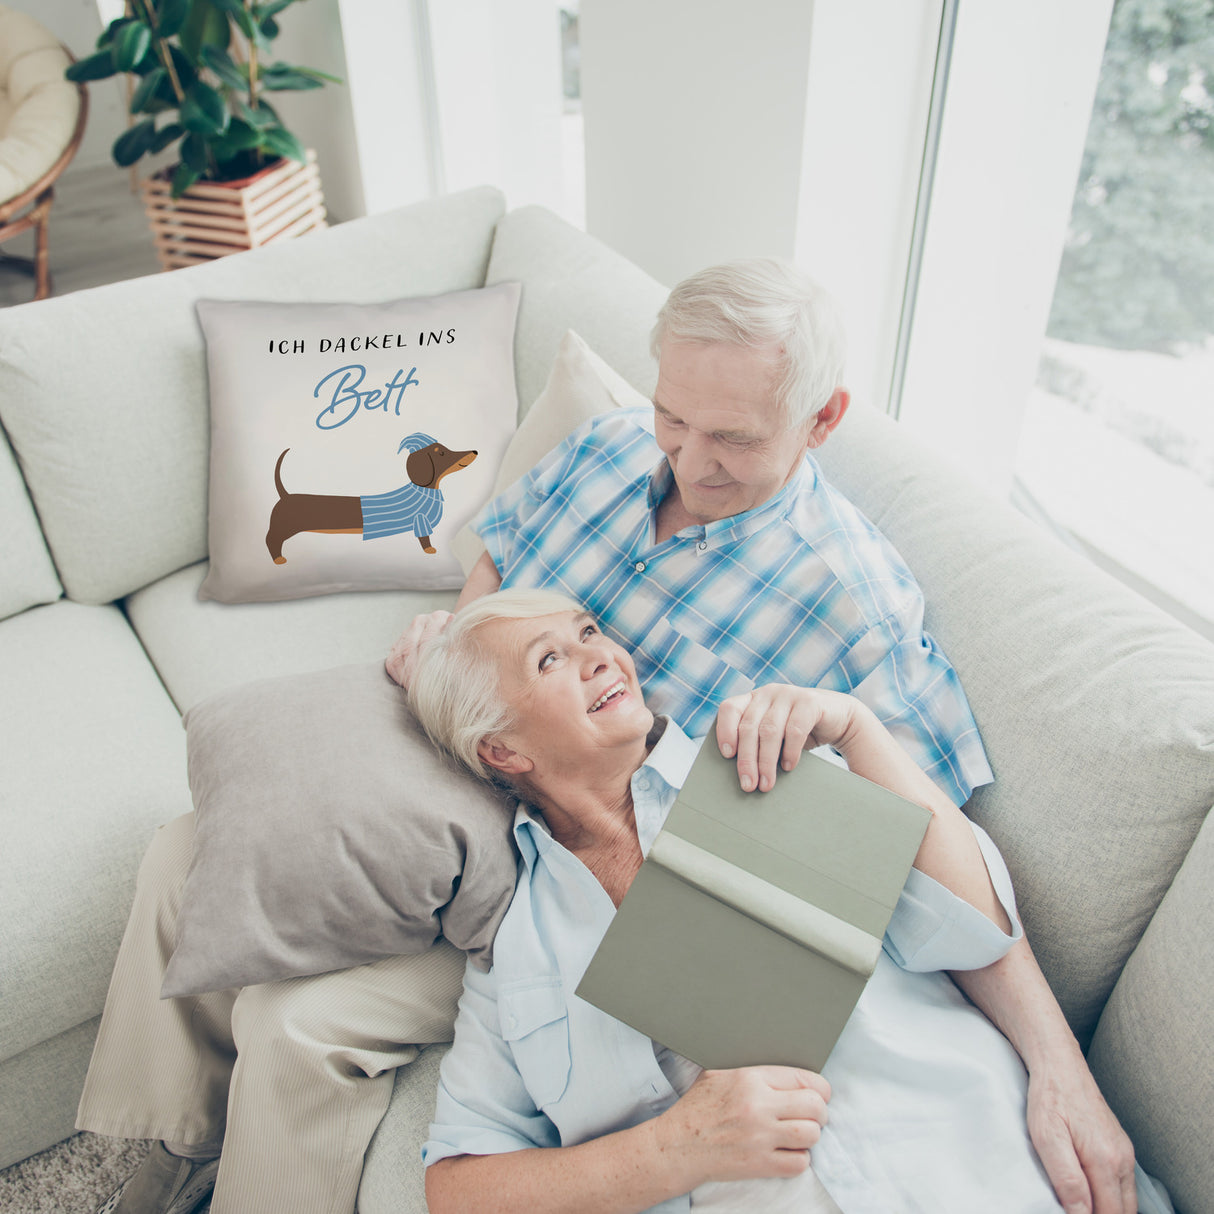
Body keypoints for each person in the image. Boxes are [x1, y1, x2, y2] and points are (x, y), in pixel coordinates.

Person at [389, 259, 1136, 1213]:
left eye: (732, 438)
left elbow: (945, 887)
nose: (689, 463)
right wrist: (462, 657)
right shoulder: (608, 450)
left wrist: (1058, 1069)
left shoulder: (830, 662)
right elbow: (501, 550)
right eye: (674, 418)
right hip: (492, 833)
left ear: (822, 420)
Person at [407, 589, 1160, 1214]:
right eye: (550, 659)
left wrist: (858, 730)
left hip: (984, 1166)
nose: (601, 655)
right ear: (502, 750)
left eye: (589, 632)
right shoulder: (516, 952)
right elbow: (458, 1188)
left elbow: (972, 929)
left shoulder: (762, 762)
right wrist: (674, 1149)